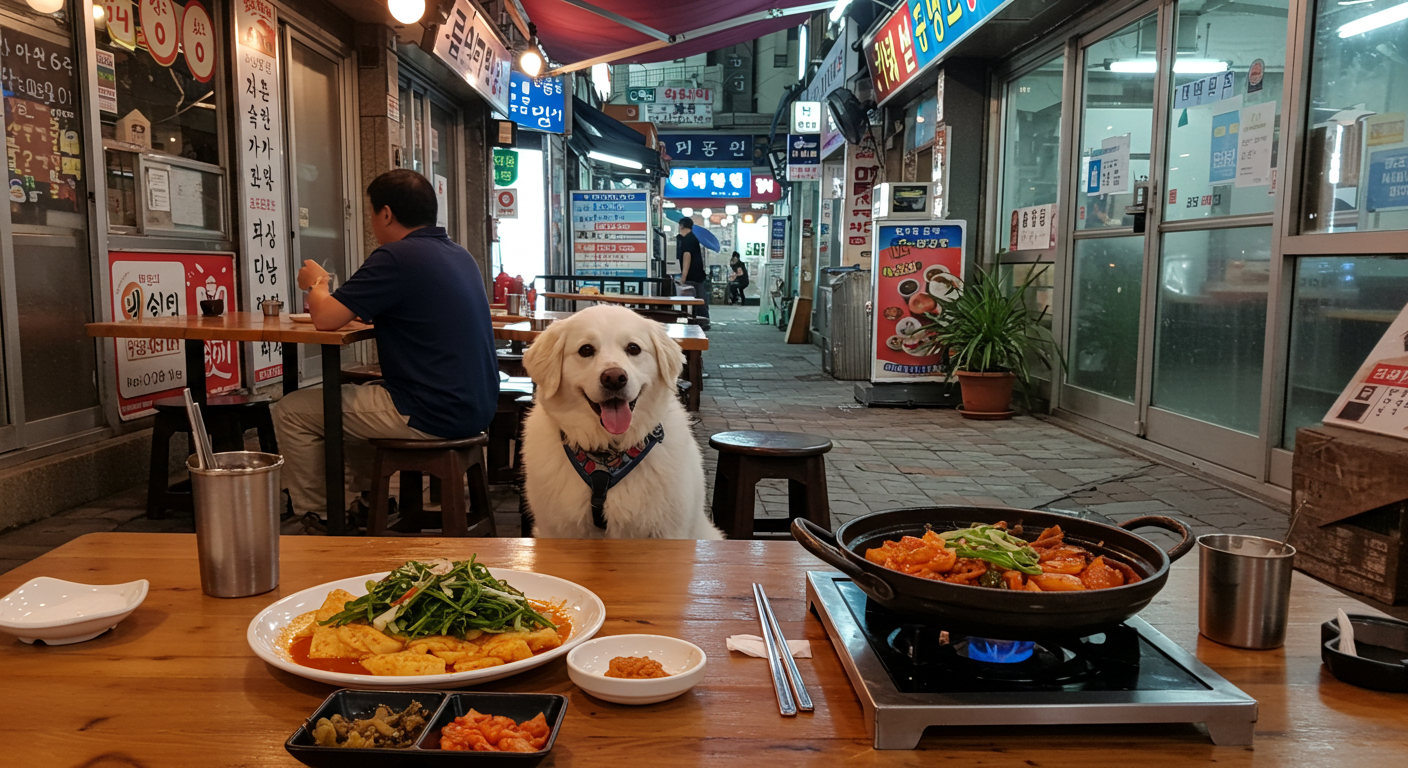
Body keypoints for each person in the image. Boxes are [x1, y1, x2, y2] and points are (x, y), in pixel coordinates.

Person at [274, 169, 499, 532]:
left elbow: (327, 318)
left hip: (431, 411)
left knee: (292, 411)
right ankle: (367, 500)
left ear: (387, 214)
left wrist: (317, 283)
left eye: (372, 214)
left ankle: (322, 514)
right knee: (359, 397)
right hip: (475, 406)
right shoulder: (459, 255)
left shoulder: (395, 256)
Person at [676, 216, 710, 328]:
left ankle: (702, 321)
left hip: (692, 276)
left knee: (697, 299)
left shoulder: (687, 239)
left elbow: (687, 256)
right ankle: (701, 320)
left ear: (681, 226)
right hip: (697, 275)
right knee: (699, 298)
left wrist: (683, 276)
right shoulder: (693, 238)